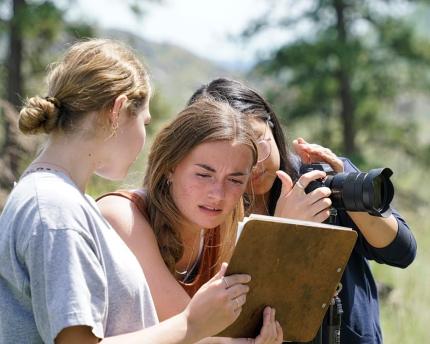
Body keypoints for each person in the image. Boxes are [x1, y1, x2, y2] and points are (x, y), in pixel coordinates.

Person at [0, 39, 256, 344]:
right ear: (119, 110)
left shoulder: (63, 202)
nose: (145, 136)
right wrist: (191, 324)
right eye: (144, 120)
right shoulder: (55, 209)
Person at [187, 77, 417, 344]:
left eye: (258, 142)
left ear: (271, 124)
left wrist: (348, 189)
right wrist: (284, 232)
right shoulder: (209, 207)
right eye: (236, 154)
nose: (254, 164)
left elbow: (402, 252)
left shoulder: (318, 178)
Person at [97, 97, 284, 343]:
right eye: (204, 174)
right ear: (170, 167)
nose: (217, 194)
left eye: (235, 180)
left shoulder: (223, 219)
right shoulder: (123, 215)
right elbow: (192, 329)